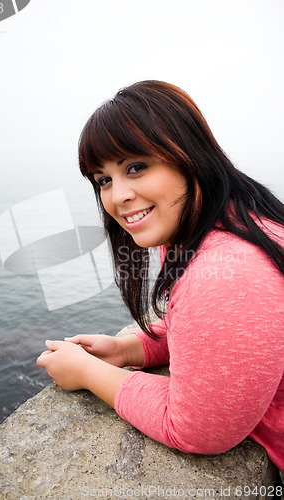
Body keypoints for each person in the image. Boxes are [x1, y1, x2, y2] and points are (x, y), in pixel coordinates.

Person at [37, 81, 284, 471]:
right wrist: (128, 349)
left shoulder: (229, 272)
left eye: (136, 167)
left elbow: (200, 429)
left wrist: (87, 372)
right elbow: (212, 331)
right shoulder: (235, 220)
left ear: (190, 154)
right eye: (104, 180)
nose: (117, 196)